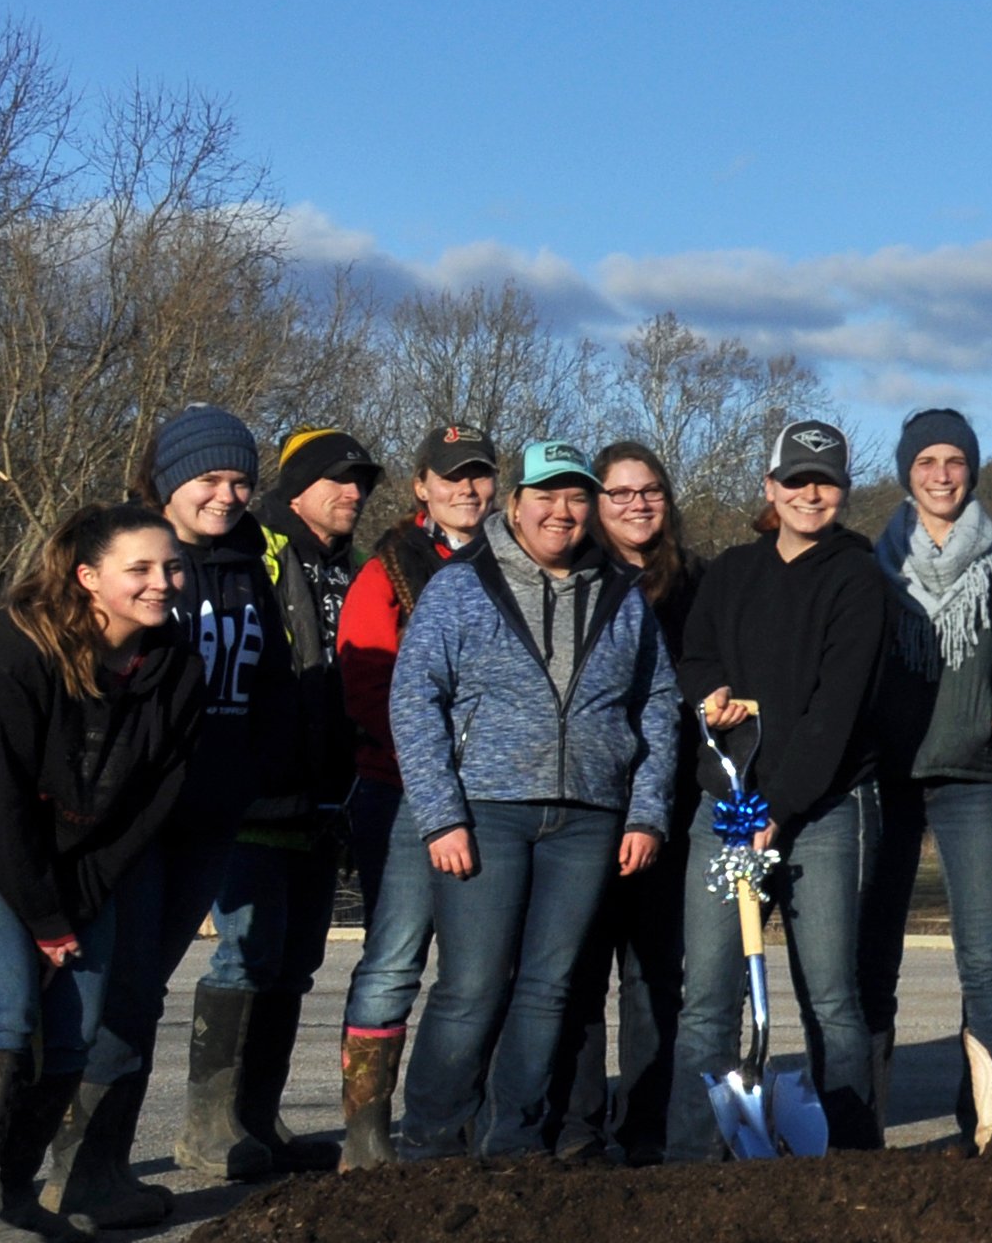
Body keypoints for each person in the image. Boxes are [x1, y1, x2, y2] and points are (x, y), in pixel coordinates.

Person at [0, 505, 201, 1243]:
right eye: (139, 569)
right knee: (0, 1000)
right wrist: (46, 919)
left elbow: (152, 797)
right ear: (88, 578)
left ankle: (13, 1197)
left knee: (79, 1014)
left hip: (68, 853)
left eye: (170, 567)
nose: (161, 583)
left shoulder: (172, 659)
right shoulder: (1, 656)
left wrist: (76, 898)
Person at [383, 444, 680, 1158]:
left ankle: (514, 1142)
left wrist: (646, 810)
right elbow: (414, 699)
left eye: (577, 498)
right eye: (546, 495)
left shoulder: (619, 593)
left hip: (588, 818)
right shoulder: (461, 588)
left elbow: (658, 703)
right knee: (472, 987)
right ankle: (428, 1145)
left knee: (549, 989)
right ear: (514, 503)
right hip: (486, 811)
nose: (562, 511)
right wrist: (441, 814)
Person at [50, 405, 301, 1230]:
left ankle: (104, 1170)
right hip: (130, 816)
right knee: (105, 993)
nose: (227, 495)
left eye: (240, 481)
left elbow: (270, 683)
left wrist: (254, 771)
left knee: (144, 993)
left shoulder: (246, 566)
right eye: (209, 479)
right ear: (165, 482)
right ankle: (63, 1171)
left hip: (211, 813)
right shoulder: (134, 562)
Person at [671, 421, 897, 1154]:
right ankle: (691, 1158)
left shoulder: (858, 579)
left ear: (842, 492)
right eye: (794, 479)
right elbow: (696, 654)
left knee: (830, 997)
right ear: (769, 488)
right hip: (726, 804)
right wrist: (709, 694)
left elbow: (836, 712)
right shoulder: (732, 571)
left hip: (824, 809)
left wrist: (779, 808)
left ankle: (852, 1157)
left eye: (824, 481)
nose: (809, 493)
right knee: (707, 997)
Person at [871, 409, 992, 1153]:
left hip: (974, 781)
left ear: (972, 471)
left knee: (986, 954)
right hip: (890, 779)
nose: (942, 475)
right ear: (906, 472)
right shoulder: (877, 565)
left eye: (955, 461)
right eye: (927, 462)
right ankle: (863, 1120)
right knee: (874, 949)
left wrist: (988, 716)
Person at [188, 425, 380, 1180]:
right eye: (339, 479)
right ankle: (209, 1128)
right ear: (296, 486)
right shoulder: (257, 550)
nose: (354, 494)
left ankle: (258, 1121)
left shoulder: (355, 568)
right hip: (254, 794)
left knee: (294, 965)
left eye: (362, 482)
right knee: (245, 956)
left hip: (323, 796)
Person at [332, 421, 499, 1169]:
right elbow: (367, 683)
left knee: (481, 965)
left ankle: (463, 1116)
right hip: (400, 790)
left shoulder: (515, 563)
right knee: (395, 959)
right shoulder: (389, 569)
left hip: (494, 796)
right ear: (422, 487)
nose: (468, 488)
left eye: (480, 474)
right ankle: (366, 1132)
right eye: (452, 475)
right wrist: (436, 760)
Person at [546, 443, 698, 1164]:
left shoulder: (697, 584)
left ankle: (644, 1126)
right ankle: (577, 1128)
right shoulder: (576, 583)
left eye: (651, 491)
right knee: (577, 972)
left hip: (672, 806)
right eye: (620, 492)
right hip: (590, 805)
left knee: (653, 976)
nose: (637, 503)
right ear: (597, 505)